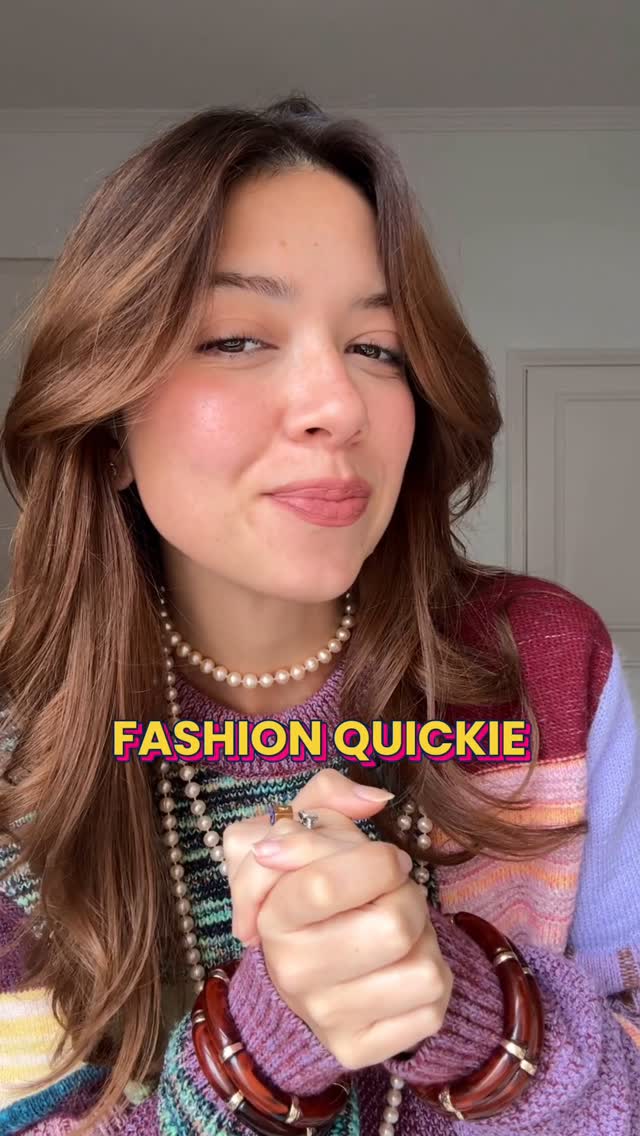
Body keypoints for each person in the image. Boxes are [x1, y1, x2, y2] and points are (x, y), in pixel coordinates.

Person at [0, 93, 638, 1136]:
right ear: (109, 423)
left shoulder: (548, 667)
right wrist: (252, 1055)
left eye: (378, 349)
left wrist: (477, 1014)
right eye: (236, 337)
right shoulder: (16, 746)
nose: (338, 406)